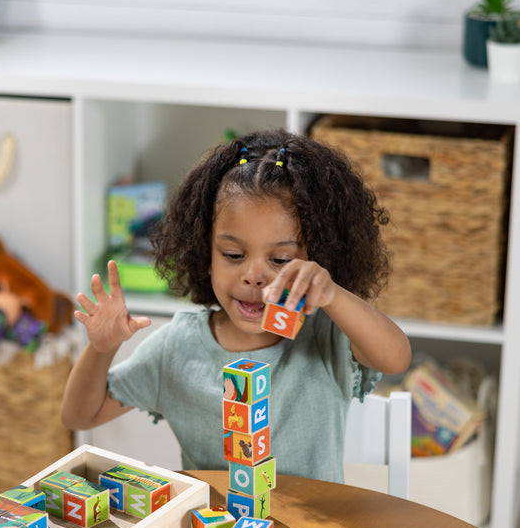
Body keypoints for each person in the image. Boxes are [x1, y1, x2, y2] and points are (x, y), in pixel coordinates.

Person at [61, 128, 411, 478]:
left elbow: (396, 358)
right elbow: (80, 416)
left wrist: (332, 294)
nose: (254, 276)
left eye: (280, 260)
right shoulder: (176, 348)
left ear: (316, 257)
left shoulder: (326, 334)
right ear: (205, 253)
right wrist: (101, 349)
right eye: (233, 254)